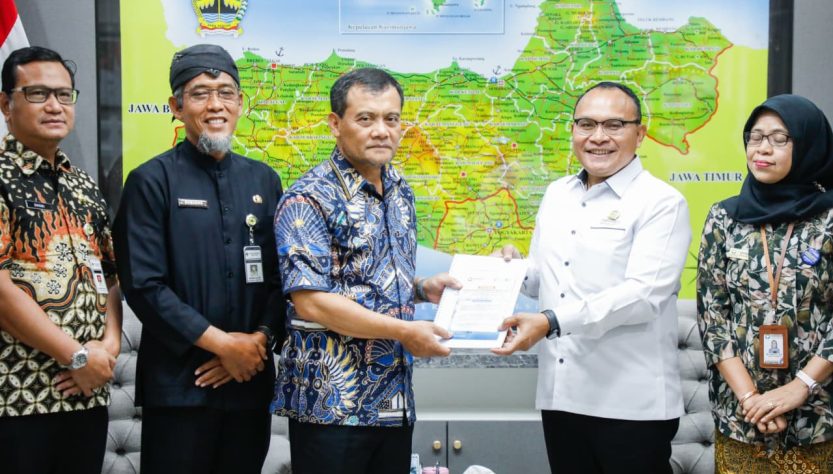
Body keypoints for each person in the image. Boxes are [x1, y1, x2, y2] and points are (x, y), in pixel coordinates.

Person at [493, 82, 691, 473]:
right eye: (586, 124)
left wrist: (551, 322)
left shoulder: (661, 203)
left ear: (640, 133)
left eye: (614, 125)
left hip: (630, 404)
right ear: (573, 130)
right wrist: (512, 271)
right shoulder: (557, 194)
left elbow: (643, 296)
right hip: (561, 395)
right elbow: (546, 281)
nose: (598, 137)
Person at [271, 67, 460, 474]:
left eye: (391, 119)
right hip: (331, 409)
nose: (381, 131)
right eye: (366, 119)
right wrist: (404, 331)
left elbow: (365, 278)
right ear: (335, 124)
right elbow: (312, 302)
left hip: (394, 401)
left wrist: (421, 288)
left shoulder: (400, 190)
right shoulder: (308, 198)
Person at [113, 44, 284, 473]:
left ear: (240, 103)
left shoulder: (265, 180)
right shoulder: (150, 181)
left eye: (225, 93)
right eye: (200, 94)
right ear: (176, 107)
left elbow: (283, 278)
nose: (215, 105)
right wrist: (225, 346)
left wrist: (256, 343)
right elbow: (144, 286)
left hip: (249, 383)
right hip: (180, 387)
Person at [0, 46, 122, 473]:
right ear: (6, 104)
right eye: (37, 94)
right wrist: (76, 355)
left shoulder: (83, 185)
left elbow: (111, 277)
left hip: (87, 393)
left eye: (64, 95)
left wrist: (108, 348)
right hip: (17, 397)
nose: (54, 105)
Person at [697, 94, 833, 473]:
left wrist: (799, 388)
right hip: (741, 415)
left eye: (779, 138)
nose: (763, 149)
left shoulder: (829, 219)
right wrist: (750, 399)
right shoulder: (724, 218)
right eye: (755, 137)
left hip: (818, 416)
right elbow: (712, 318)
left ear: (808, 145)